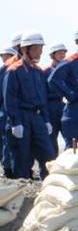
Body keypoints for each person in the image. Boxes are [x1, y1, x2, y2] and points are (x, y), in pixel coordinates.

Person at [3, 33, 54, 179]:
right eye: (37, 49)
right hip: (21, 117)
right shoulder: (13, 71)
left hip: (37, 118)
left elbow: (43, 98)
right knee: (22, 158)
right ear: (26, 50)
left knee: (48, 154)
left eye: (40, 48)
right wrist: (15, 122)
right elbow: (9, 99)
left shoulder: (38, 71)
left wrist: (46, 119)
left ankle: (48, 184)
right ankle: (22, 192)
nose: (40, 52)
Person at [44, 43, 68, 156]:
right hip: (49, 105)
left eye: (64, 53)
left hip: (62, 104)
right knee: (51, 139)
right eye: (59, 53)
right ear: (52, 55)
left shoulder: (66, 71)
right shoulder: (45, 72)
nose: (62, 55)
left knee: (68, 135)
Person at [0, 47, 18, 177]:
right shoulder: (3, 71)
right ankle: (7, 168)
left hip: (15, 108)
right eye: (3, 57)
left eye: (7, 56)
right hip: (4, 109)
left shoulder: (18, 70)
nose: (5, 59)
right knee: (6, 140)